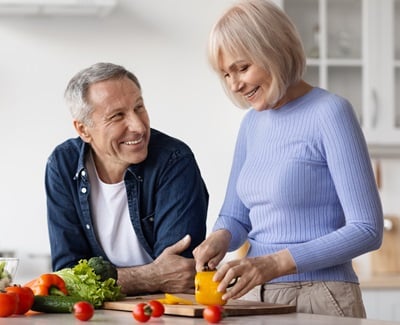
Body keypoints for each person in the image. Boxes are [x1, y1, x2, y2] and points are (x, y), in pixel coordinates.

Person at [193, 0, 383, 318]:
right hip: (253, 295)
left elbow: (367, 229)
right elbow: (236, 216)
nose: (235, 84)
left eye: (242, 68)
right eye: (226, 74)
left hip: (321, 296)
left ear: (275, 50)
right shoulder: (252, 123)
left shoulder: (331, 113)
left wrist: (273, 264)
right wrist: (219, 238)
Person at [45, 62, 209, 295]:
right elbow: (66, 277)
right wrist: (151, 276)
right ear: (83, 130)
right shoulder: (62, 164)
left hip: (164, 311)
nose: (139, 126)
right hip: (98, 314)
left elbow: (179, 274)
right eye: (117, 116)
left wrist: (102, 282)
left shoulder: (174, 160)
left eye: (139, 107)